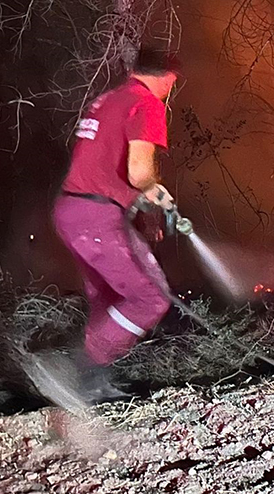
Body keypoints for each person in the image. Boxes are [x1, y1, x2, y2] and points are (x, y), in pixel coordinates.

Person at [39, 47, 180, 403]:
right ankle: (78, 370)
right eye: (172, 82)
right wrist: (152, 190)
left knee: (108, 299)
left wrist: (138, 204)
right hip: (95, 217)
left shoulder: (108, 99)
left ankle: (94, 384)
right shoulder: (146, 104)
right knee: (151, 298)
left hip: (74, 211)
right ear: (167, 77)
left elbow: (101, 164)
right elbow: (139, 171)